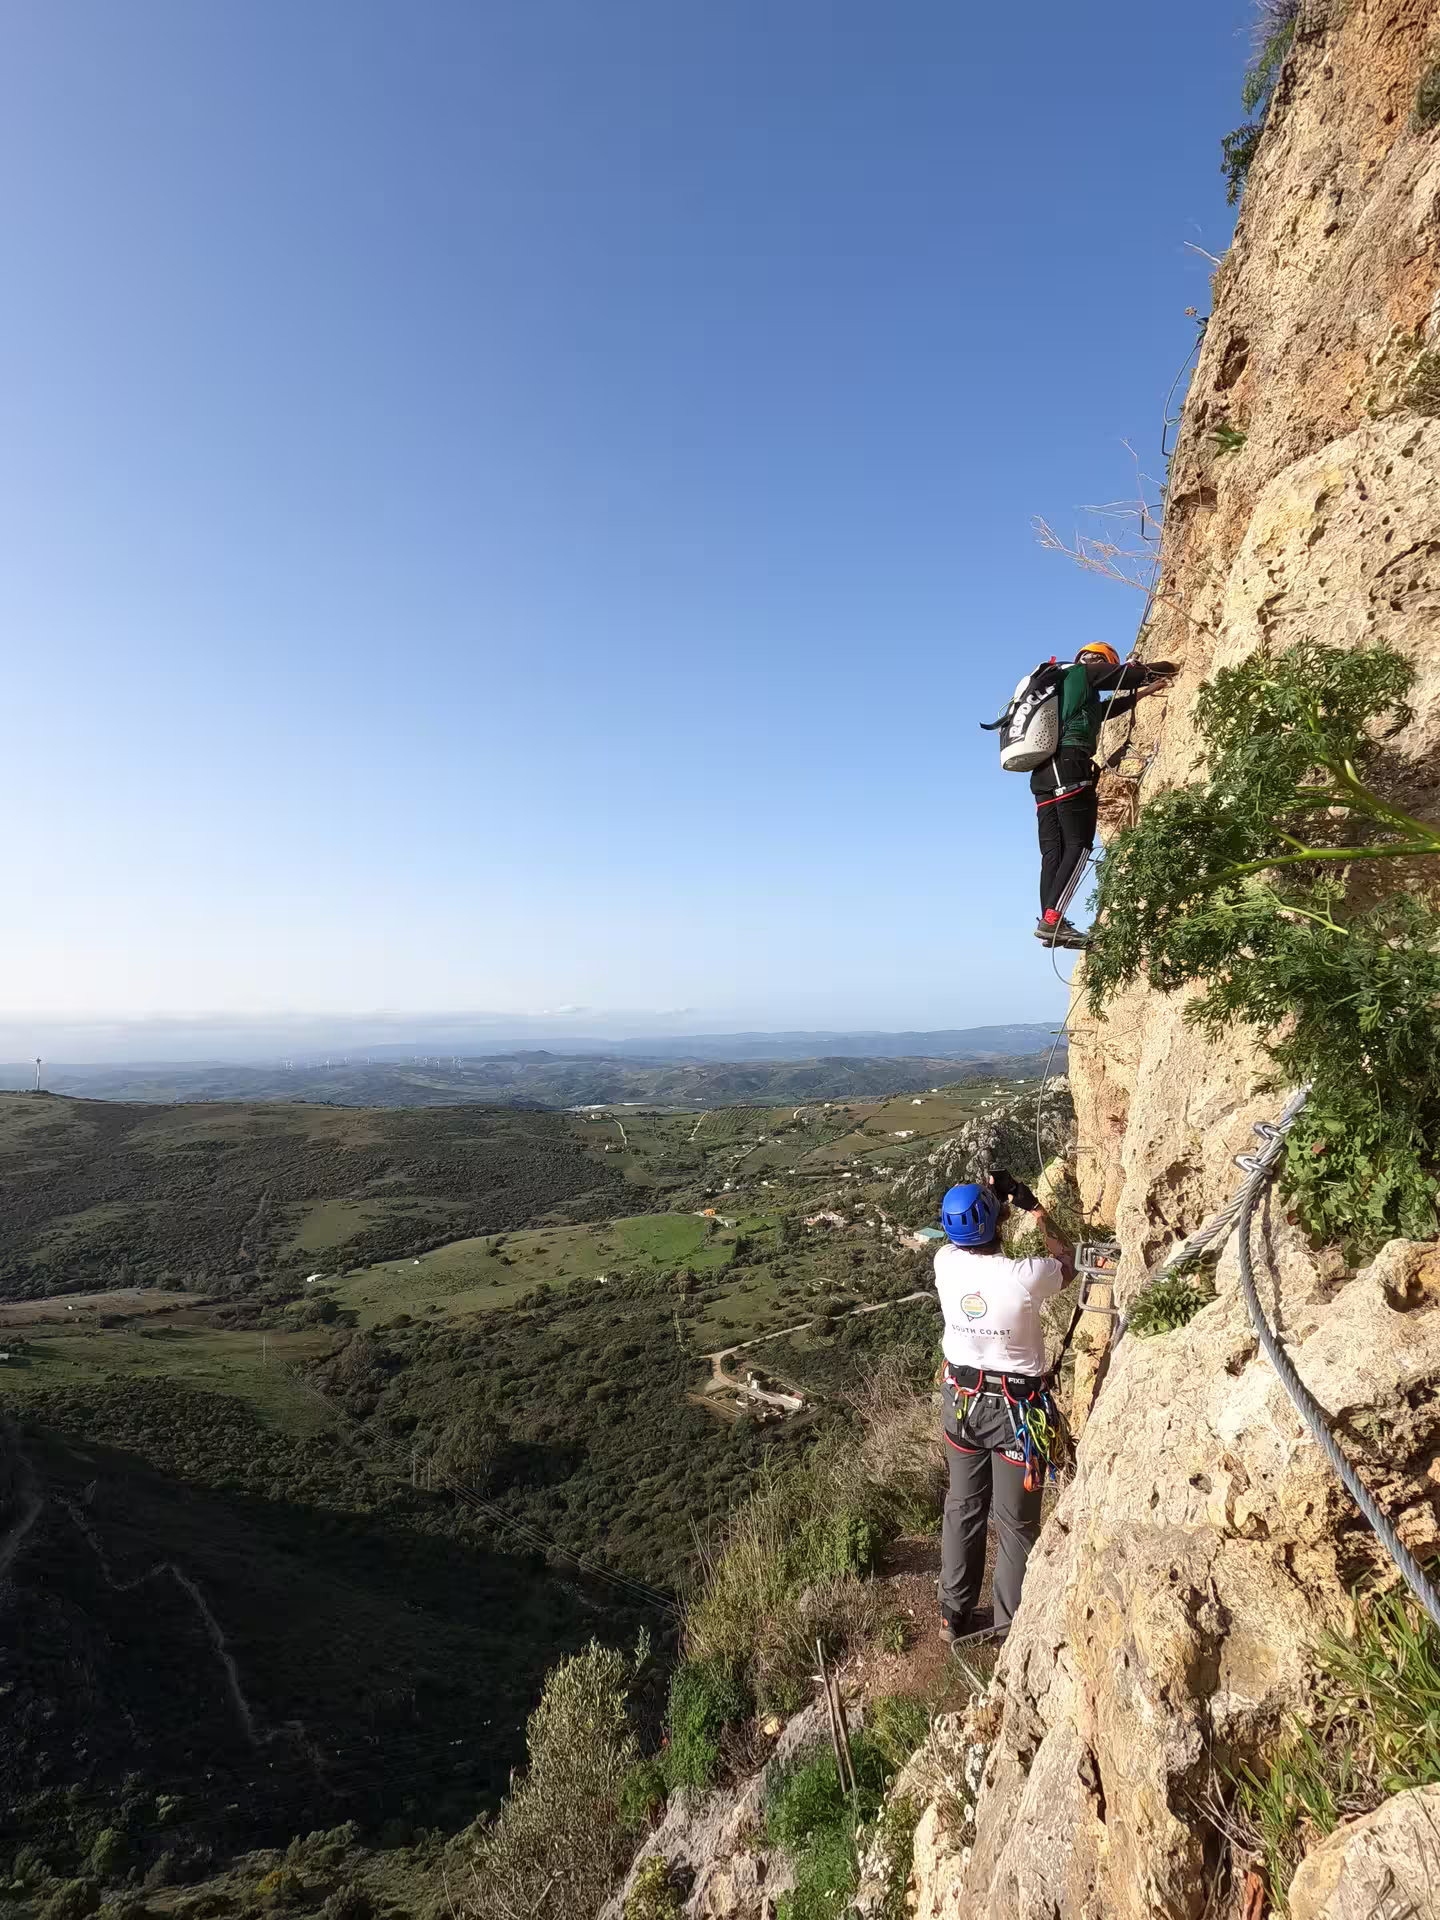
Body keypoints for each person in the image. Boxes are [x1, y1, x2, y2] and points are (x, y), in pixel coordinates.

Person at [933, 1171, 1073, 1647]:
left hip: (961, 1404)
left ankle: (954, 1614)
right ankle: (1010, 1627)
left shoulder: (944, 1262)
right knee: (1015, 1524)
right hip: (1017, 1410)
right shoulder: (1026, 1276)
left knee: (964, 1505)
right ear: (996, 1224)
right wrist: (1033, 1207)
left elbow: (971, 1237)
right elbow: (1066, 1257)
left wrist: (996, 1206)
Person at [1033, 643, 1177, 948]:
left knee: (1053, 853)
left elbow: (1108, 709)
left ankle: (1050, 922)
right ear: (1101, 662)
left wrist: (1147, 692)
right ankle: (1052, 922)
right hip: (1070, 763)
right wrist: (1168, 667)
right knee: (1079, 844)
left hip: (1042, 774)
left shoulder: (1061, 690)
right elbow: (1129, 675)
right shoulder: (1085, 672)